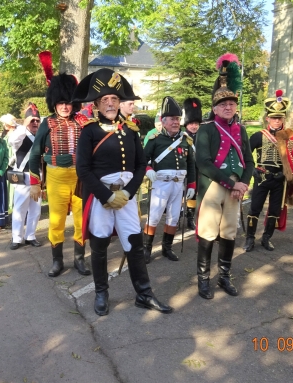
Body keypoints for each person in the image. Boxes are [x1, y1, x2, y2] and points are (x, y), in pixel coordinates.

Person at [73, 68, 173, 316]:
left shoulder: (130, 131)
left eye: (114, 99)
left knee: (135, 244)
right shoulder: (89, 131)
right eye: (104, 100)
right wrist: (106, 196)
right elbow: (83, 169)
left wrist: (127, 193)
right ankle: (101, 293)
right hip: (100, 198)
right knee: (99, 246)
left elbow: (141, 165)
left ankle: (144, 294)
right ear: (96, 104)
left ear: (119, 103)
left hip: (126, 198)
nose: (110, 103)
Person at [195, 53, 254, 300]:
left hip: (236, 187)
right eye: (223, 104)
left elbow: (249, 161)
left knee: (229, 231)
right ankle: (203, 279)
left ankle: (224, 277)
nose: (228, 107)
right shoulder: (207, 129)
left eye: (231, 103)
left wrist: (244, 184)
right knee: (208, 231)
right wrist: (231, 183)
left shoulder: (241, 130)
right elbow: (203, 163)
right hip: (214, 186)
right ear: (215, 108)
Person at [29, 73, 90, 276]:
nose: (65, 107)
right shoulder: (47, 123)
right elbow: (35, 152)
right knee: (56, 221)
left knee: (82, 220)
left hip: (80, 178)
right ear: (54, 103)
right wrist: (35, 182)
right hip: (56, 178)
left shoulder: (83, 122)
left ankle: (79, 259)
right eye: (61, 102)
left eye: (68, 103)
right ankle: (57, 261)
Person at [244, 90, 293, 252]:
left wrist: (288, 174)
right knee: (255, 208)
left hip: (280, 180)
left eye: (280, 118)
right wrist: (252, 171)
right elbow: (245, 155)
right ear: (267, 118)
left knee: (275, 210)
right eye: (274, 117)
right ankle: (249, 238)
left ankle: (266, 238)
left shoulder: (290, 138)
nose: (277, 121)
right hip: (262, 177)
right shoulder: (258, 136)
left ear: (283, 118)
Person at [143, 96, 196, 263]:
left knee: (174, 217)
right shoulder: (156, 140)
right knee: (154, 217)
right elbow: (142, 160)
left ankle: (167, 248)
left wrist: (192, 185)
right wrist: (148, 169)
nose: (176, 122)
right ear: (163, 121)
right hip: (161, 183)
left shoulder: (185, 140)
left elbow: (191, 164)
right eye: (172, 119)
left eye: (178, 119)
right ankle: (147, 249)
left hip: (178, 185)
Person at [7, 103, 42, 249]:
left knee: (36, 208)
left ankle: (30, 235)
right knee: (20, 208)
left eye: (37, 120)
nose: (35, 123)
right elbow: (12, 141)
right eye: (31, 120)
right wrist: (24, 125)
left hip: (37, 176)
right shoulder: (20, 134)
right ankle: (17, 237)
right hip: (22, 175)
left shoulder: (41, 135)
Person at [182, 98, 203, 231]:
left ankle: (193, 217)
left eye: (196, 123)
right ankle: (184, 216)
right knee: (185, 194)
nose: (194, 126)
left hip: (199, 170)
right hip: (185, 169)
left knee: (196, 193)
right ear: (186, 124)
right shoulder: (182, 136)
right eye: (191, 123)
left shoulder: (203, 135)